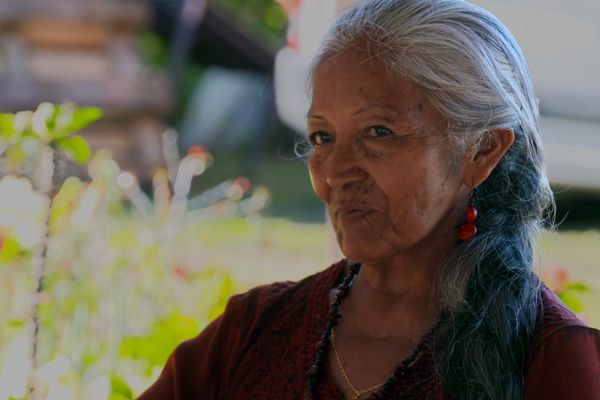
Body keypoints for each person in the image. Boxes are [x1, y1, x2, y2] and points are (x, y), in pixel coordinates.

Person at [138, 0, 600, 399]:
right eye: (322, 136)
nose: (336, 173)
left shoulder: (551, 361)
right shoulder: (253, 334)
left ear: (481, 151)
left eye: (378, 132)